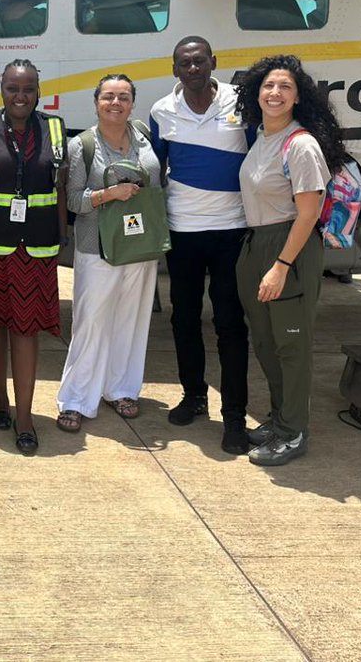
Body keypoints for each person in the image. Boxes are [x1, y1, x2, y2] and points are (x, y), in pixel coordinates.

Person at [235, 54, 346, 466]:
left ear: (299, 97)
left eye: (285, 87)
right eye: (268, 86)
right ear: (256, 94)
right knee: (266, 341)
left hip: (288, 246)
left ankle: (294, 431)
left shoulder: (300, 144)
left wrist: (281, 266)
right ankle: (281, 419)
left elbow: (309, 212)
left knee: (291, 345)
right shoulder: (262, 137)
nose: (275, 93)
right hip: (257, 241)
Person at [149, 36, 252, 455]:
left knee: (230, 324)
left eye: (199, 61)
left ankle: (234, 418)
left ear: (214, 61)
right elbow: (155, 169)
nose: (192, 68)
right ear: (175, 70)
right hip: (184, 231)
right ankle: (194, 397)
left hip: (232, 229)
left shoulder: (241, 102)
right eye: (184, 63)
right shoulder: (161, 111)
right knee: (184, 319)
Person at [0, 60, 66, 455]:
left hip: (35, 248)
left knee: (26, 329)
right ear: (1, 89)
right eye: (12, 89)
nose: (21, 96)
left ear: (38, 91)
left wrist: (62, 237)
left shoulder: (54, 128)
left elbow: (60, 186)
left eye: (28, 89)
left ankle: (24, 416)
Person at [57, 74, 161, 433]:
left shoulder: (144, 137)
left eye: (123, 97)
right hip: (96, 246)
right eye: (108, 97)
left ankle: (120, 389)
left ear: (133, 102)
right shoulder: (82, 145)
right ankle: (75, 399)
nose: (115, 103)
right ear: (96, 101)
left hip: (139, 244)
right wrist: (107, 195)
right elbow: (73, 201)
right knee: (91, 322)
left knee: (131, 320)